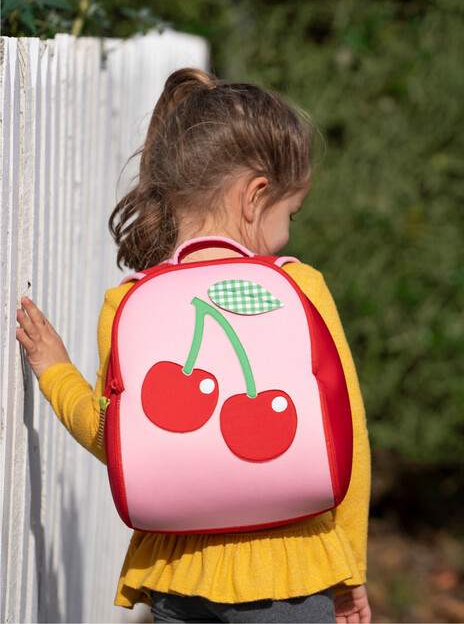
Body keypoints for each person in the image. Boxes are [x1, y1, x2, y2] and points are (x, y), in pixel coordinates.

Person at [15, 68, 371, 624]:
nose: (286, 235)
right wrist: (349, 571)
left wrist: (54, 370)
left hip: (175, 579)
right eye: (289, 215)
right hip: (291, 577)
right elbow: (346, 436)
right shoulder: (300, 287)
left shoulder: (128, 301)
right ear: (255, 197)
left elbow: (121, 444)